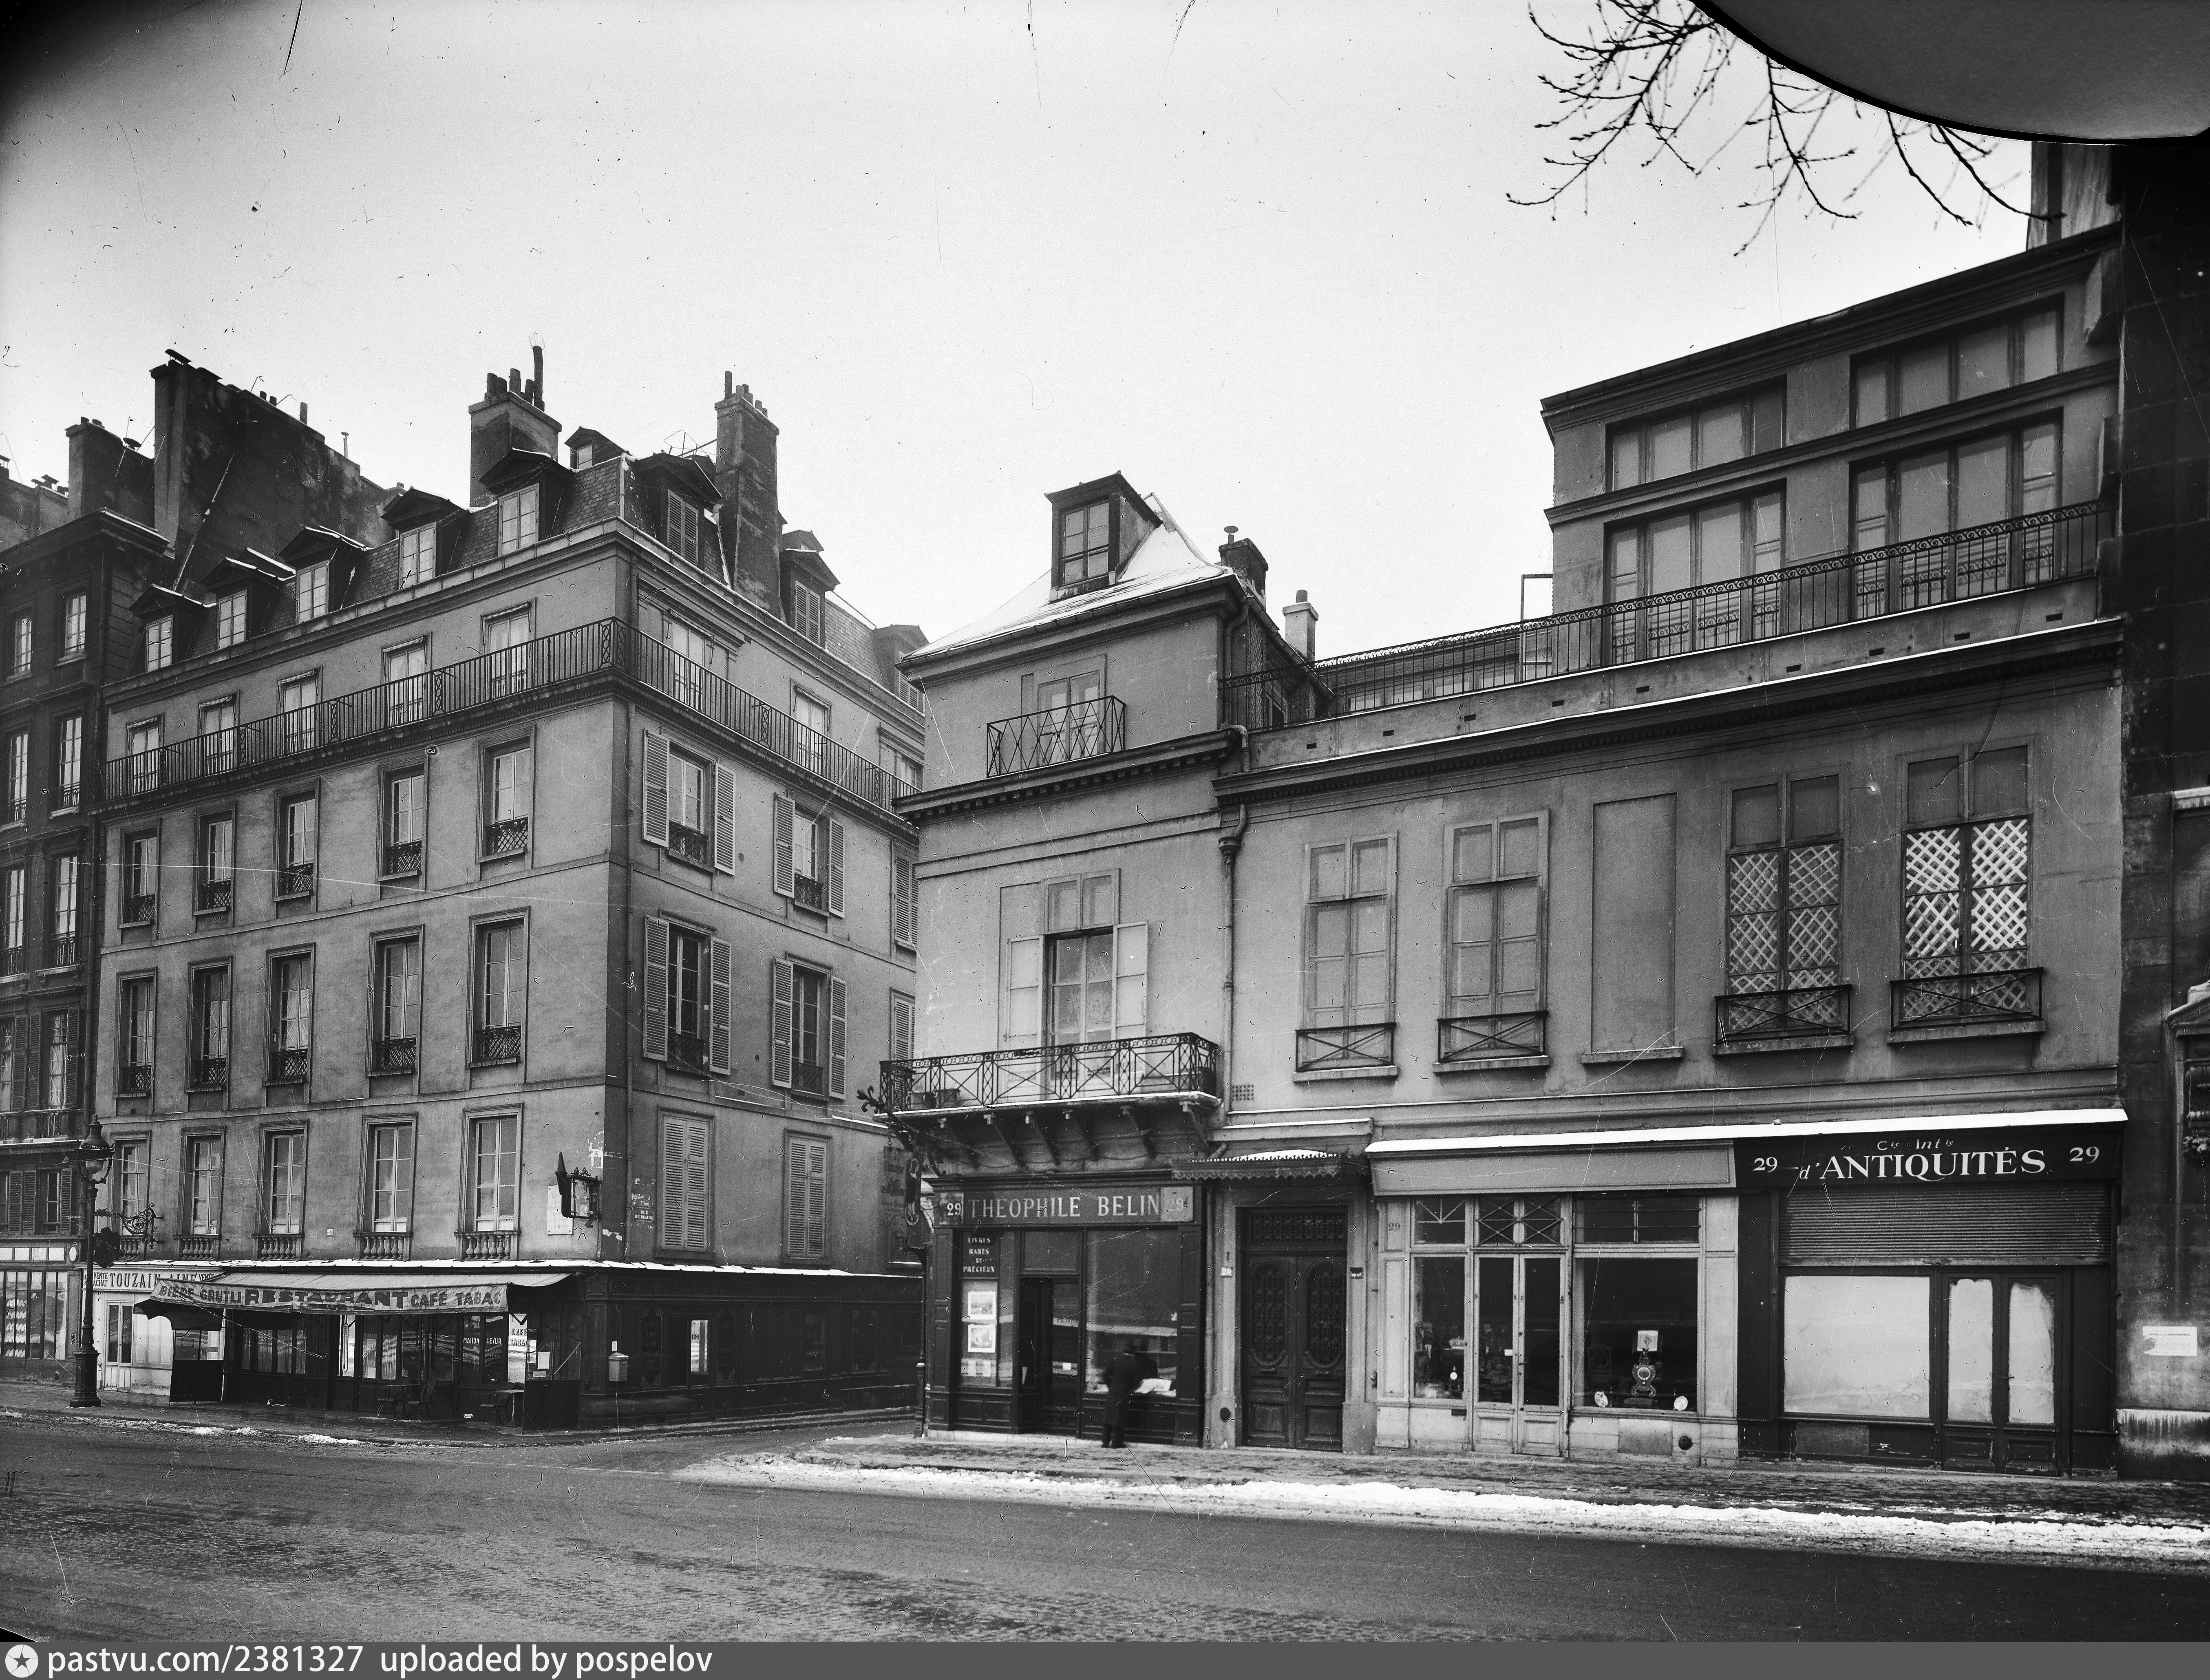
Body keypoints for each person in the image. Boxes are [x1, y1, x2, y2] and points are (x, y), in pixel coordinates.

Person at [1100, 1338, 1144, 1448]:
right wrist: (1129, 1389)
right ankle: (1116, 1443)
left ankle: (1105, 1442)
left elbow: (1105, 1375)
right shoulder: (1135, 1364)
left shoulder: (1115, 1360)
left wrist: (1111, 1386)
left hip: (1112, 1392)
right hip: (1124, 1393)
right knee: (1119, 1418)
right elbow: (1138, 1381)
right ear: (1134, 1353)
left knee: (1109, 1417)